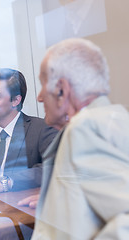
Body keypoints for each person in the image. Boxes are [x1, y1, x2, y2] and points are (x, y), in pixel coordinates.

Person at [29, 38, 129, 239]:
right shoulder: (116, 118)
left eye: (42, 85)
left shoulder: (84, 128)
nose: (39, 97)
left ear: (61, 90)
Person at [0, 68, 57, 194]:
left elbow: (52, 167)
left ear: (15, 100)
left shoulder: (41, 130)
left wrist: (5, 183)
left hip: (17, 207)